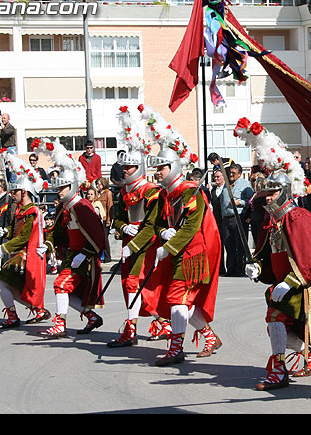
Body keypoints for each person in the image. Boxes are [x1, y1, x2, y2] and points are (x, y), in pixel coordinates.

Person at [236, 121, 311, 391]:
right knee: (276, 324)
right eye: (264, 195)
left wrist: (290, 282)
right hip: (286, 282)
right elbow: (270, 253)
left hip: (305, 283)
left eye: (272, 193)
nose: (266, 199)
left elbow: (310, 260)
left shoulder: (298, 217)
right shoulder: (273, 221)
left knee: (276, 320)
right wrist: (258, 267)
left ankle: (280, 371)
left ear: (285, 191)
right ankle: (309, 354)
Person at [138, 105, 221, 365]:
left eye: (162, 166)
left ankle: (176, 349)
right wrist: (164, 234)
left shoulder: (189, 192)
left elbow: (191, 227)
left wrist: (169, 246)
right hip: (176, 253)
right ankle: (208, 336)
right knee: (184, 302)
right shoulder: (164, 194)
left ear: (173, 166)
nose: (158, 171)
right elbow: (158, 223)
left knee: (177, 300)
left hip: (192, 255)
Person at [33, 139, 106, 338]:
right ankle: (91, 317)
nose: (59, 192)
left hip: (85, 258)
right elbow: (58, 233)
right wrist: (47, 245)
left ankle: (60, 324)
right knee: (68, 291)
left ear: (72, 186)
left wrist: (84, 254)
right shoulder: (63, 208)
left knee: (60, 285)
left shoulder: (82, 206)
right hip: (72, 255)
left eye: (62, 187)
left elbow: (98, 235)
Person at [109, 108, 168, 348]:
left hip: (147, 243)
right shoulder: (124, 192)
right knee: (130, 284)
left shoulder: (151, 191)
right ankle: (149, 323)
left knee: (142, 284)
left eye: (129, 168)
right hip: (130, 241)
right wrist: (125, 230)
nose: (125, 171)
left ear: (138, 168)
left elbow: (152, 225)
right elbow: (118, 219)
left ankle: (138, 327)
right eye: (124, 168)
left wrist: (134, 243)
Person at [0, 152, 50, 329]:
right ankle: (36, 310)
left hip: (25, 254)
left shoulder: (32, 211)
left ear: (24, 192)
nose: (12, 194)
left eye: (15, 191)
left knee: (2, 284)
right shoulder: (19, 209)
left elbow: (25, 237)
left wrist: (5, 247)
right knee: (12, 288)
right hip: (17, 253)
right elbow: (15, 229)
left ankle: (14, 316)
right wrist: (6, 231)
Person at [220, 163, 253, 277]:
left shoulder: (245, 185)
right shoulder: (226, 184)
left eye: (234, 173)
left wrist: (240, 202)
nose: (231, 175)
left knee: (239, 245)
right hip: (226, 218)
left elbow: (250, 200)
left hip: (239, 217)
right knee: (229, 245)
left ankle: (240, 269)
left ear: (240, 174)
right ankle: (231, 269)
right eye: (230, 173)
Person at [210, 168, 227, 275]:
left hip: (226, 220)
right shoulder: (212, 191)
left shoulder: (227, 189)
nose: (216, 179)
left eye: (218, 177)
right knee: (218, 246)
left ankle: (232, 268)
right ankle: (220, 269)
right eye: (214, 177)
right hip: (216, 222)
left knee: (229, 246)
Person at [95, 177, 114, 263]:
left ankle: (107, 257)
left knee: (105, 239)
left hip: (105, 218)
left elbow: (110, 206)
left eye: (99, 184)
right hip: (98, 219)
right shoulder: (98, 193)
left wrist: (108, 220)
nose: (98, 186)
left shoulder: (108, 193)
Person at [0, 113, 17, 183]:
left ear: (8, 119)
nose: (3, 120)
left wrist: (1, 124)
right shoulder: (3, 128)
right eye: (2, 118)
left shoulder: (11, 128)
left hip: (10, 149)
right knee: (6, 168)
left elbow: (6, 131)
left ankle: (13, 182)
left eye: (4, 118)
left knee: (12, 167)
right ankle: (8, 181)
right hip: (5, 149)